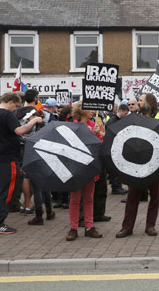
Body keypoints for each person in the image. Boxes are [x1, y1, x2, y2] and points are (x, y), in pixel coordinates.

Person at [0, 93, 43, 234]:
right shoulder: (7, 115)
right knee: (5, 191)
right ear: (11, 102)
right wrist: (34, 121)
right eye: (16, 106)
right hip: (7, 158)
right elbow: (20, 130)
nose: (15, 110)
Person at [116, 93, 159, 238]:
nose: (138, 102)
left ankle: (150, 226)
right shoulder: (134, 118)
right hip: (136, 165)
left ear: (148, 103)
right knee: (133, 196)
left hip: (154, 164)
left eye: (141, 100)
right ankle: (127, 227)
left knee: (155, 196)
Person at [66, 102, 103, 241]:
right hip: (76, 166)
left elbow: (98, 145)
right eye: (90, 109)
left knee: (89, 198)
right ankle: (73, 228)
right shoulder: (72, 125)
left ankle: (89, 226)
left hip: (90, 166)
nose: (93, 111)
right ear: (82, 111)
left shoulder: (94, 125)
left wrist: (98, 135)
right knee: (75, 199)